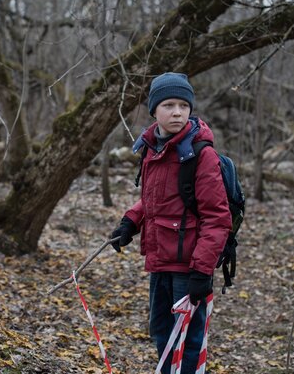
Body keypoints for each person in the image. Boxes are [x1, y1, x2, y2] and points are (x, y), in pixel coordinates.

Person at [111, 72, 232, 374]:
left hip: (189, 268)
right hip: (160, 262)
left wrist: (202, 271)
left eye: (183, 105)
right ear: (154, 110)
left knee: (188, 342)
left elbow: (217, 218)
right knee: (162, 332)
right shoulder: (154, 148)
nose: (177, 112)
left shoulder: (201, 156)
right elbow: (156, 200)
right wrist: (130, 221)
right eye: (168, 105)